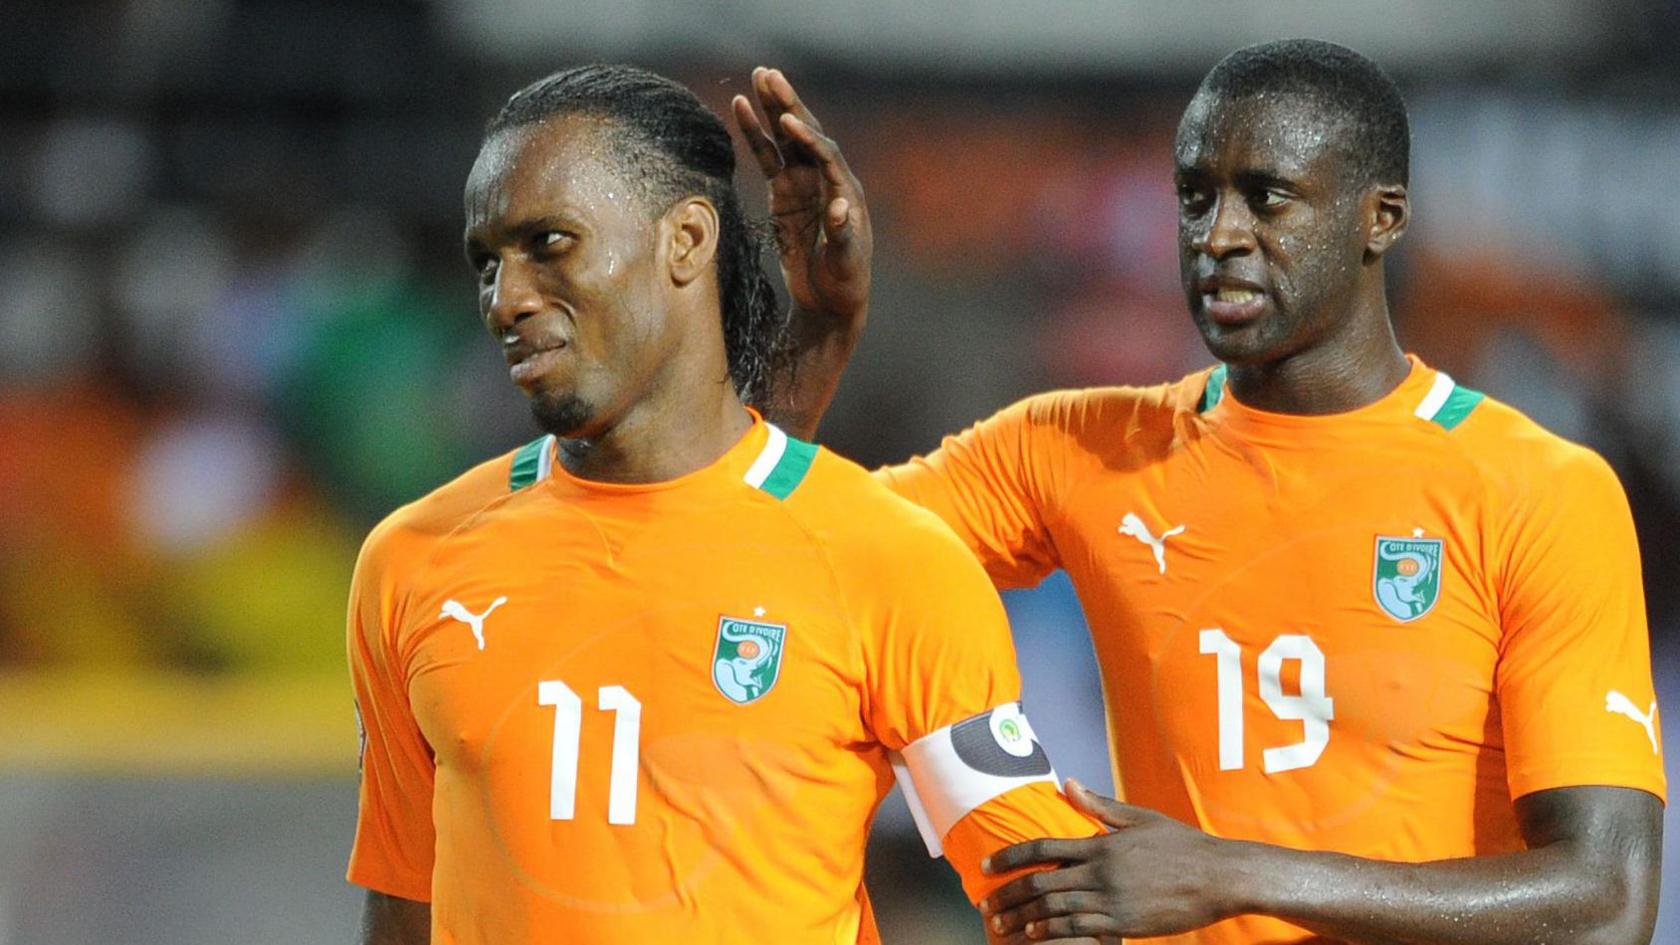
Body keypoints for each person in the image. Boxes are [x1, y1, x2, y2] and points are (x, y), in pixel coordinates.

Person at [740, 40, 1666, 945]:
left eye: (1266, 198)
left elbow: (1604, 899)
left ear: (1380, 217)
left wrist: (1228, 872)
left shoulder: (1540, 490)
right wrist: (819, 331)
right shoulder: (1076, 446)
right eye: (1195, 197)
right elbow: (784, 552)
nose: (1217, 236)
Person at [344, 64, 1098, 945]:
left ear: (688, 240)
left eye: (550, 243)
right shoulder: (414, 558)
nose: (506, 299)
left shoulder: (889, 558)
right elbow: (403, 905)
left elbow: (1051, 900)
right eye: (487, 262)